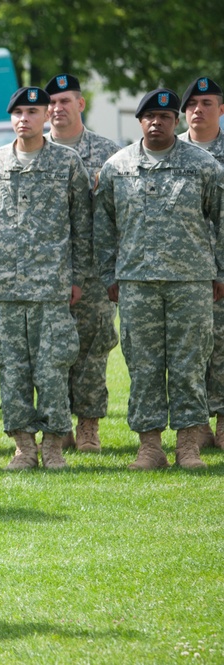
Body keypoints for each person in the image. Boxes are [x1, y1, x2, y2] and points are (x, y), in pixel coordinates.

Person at [94, 88, 224, 470]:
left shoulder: (203, 165)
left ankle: (188, 448)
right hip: (137, 285)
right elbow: (102, 225)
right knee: (144, 367)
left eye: (165, 117)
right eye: (150, 116)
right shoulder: (118, 166)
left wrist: (219, 270)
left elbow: (220, 220)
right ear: (139, 122)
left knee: (190, 365)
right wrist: (109, 274)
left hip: (191, 283)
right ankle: (149, 448)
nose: (157, 122)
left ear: (176, 121)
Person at [0, 86, 92, 470]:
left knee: (53, 368)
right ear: (11, 119)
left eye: (33, 111)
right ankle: (23, 445)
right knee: (12, 370)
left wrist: (77, 278)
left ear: (45, 116)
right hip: (6, 290)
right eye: (18, 112)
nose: (25, 118)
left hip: (51, 286)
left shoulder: (67, 162)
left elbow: (82, 226)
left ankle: (54, 443)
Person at [44, 73, 121, 453]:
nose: (58, 109)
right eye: (52, 104)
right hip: (47, 270)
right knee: (51, 350)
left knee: (93, 347)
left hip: (92, 270)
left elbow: (118, 212)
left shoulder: (108, 153)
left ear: (81, 104)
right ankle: (58, 427)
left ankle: (88, 426)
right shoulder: (35, 152)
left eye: (65, 102)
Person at [178, 76, 224, 450]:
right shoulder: (170, 153)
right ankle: (196, 425)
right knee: (190, 349)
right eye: (191, 105)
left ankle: (222, 419)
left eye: (206, 103)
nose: (198, 110)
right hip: (185, 271)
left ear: (221, 110)